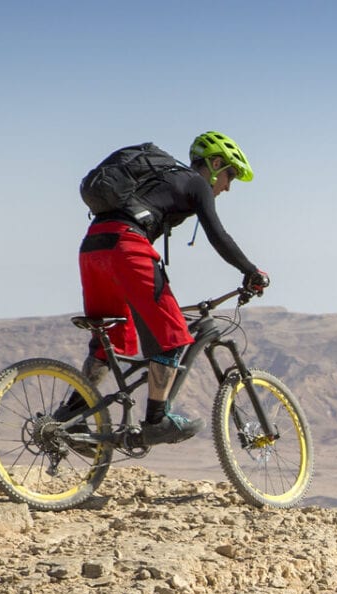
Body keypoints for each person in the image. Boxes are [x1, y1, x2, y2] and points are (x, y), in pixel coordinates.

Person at [74, 131, 270, 442]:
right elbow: (218, 235)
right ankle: (157, 420)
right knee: (172, 337)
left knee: (108, 339)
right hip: (126, 247)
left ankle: (71, 417)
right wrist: (251, 272)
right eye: (230, 175)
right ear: (215, 164)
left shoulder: (159, 181)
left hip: (93, 247)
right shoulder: (195, 183)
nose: (228, 186)